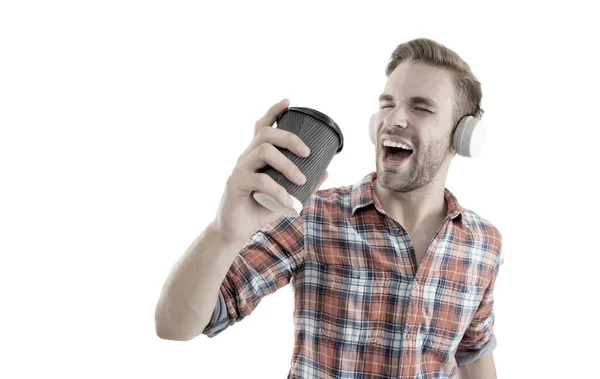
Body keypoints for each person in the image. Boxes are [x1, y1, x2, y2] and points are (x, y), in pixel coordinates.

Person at [154, 37, 503, 379]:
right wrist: (224, 234)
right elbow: (175, 325)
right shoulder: (314, 216)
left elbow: (473, 355)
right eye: (387, 104)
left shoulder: (482, 244)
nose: (393, 120)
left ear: (462, 137)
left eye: (421, 107)